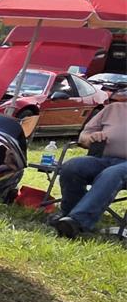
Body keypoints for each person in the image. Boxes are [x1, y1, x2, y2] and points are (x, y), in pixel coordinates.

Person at [54, 85, 127, 238]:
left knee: (112, 173)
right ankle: (69, 217)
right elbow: (84, 135)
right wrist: (91, 138)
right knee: (73, 166)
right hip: (103, 158)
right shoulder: (113, 109)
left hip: (121, 168)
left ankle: (78, 222)